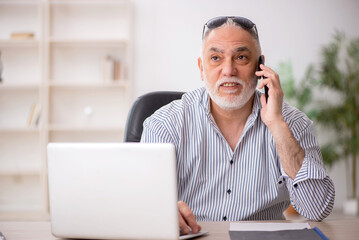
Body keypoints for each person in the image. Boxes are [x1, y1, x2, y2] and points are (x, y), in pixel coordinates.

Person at [140, 16, 335, 235]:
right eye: (216, 58)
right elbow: (142, 207)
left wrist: (277, 125)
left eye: (241, 57)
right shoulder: (165, 124)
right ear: (201, 67)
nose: (228, 70)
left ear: (260, 66)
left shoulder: (293, 124)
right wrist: (159, 211)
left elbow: (316, 209)